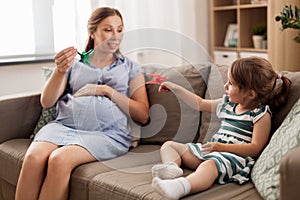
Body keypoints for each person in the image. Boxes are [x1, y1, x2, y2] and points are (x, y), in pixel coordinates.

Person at [15, 7, 149, 200]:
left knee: (59, 160)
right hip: (63, 126)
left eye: (119, 30)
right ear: (92, 32)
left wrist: (107, 91)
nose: (115, 36)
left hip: (107, 134)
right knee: (33, 157)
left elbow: (143, 114)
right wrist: (60, 71)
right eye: (108, 29)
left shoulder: (131, 68)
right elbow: (47, 101)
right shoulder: (74, 64)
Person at [151, 57, 291, 200]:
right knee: (169, 146)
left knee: (210, 166)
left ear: (250, 94)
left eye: (231, 83)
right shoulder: (228, 105)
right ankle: (172, 169)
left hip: (232, 158)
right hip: (210, 151)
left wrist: (221, 147)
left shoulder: (260, 115)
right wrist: (175, 88)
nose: (225, 86)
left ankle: (180, 187)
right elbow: (199, 104)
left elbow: (255, 148)